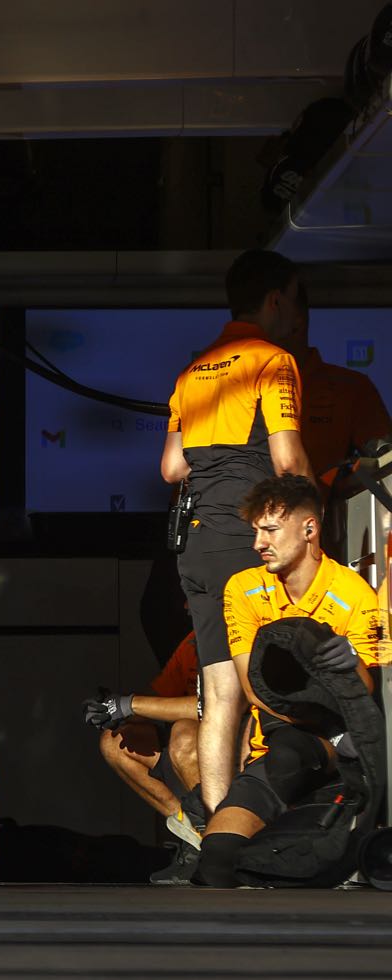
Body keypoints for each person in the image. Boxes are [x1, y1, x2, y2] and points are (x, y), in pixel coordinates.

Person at [161, 249, 311, 820]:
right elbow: (288, 461)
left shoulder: (192, 372)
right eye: (293, 300)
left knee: (220, 692)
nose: (296, 313)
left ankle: (220, 833)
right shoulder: (272, 360)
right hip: (247, 544)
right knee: (270, 689)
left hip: (196, 547)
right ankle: (268, 827)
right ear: (275, 300)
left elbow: (172, 468)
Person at [194, 474, 386, 887]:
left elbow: (367, 691)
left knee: (290, 757)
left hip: (338, 753)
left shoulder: (353, 592)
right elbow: (254, 688)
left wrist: (351, 661)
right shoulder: (243, 588)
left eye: (269, 530)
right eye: (256, 531)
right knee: (217, 862)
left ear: (309, 529)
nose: (258, 543)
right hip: (281, 741)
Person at [82, 630, 204, 883]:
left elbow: (216, 705)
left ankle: (221, 841)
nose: (186, 610)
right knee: (115, 741)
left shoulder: (232, 634)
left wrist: (130, 705)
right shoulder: (192, 641)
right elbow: (159, 699)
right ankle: (194, 837)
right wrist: (112, 709)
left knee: (184, 734)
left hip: (240, 755)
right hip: (193, 758)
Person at [285, 283, 392, 495]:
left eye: (254, 321)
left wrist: (332, 487)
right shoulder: (233, 385)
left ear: (296, 319)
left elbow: (385, 463)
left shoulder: (351, 387)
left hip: (325, 514)